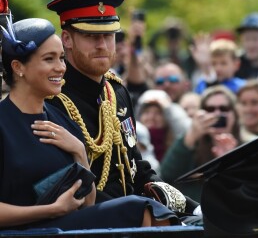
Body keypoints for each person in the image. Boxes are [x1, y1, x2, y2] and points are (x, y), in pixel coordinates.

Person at [0, 15, 179, 231]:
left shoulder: (61, 119)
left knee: (156, 215)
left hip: (62, 226)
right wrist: (51, 210)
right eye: (49, 59)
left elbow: (87, 201)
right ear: (18, 67)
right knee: (136, 208)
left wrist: (79, 153)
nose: (60, 68)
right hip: (23, 232)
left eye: (62, 58)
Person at [46, 0, 199, 215]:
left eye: (109, 36)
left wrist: (192, 209)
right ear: (67, 39)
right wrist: (134, 208)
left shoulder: (115, 91)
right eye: (91, 36)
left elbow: (136, 167)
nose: (103, 45)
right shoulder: (52, 99)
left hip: (132, 217)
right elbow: (63, 183)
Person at [160, 85, 240, 202]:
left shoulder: (249, 143)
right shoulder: (191, 145)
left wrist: (231, 159)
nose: (217, 113)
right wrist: (191, 136)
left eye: (224, 108)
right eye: (210, 109)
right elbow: (167, 174)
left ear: (234, 114)